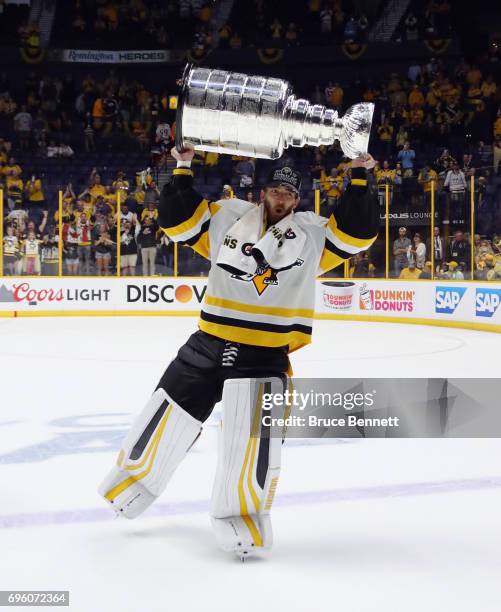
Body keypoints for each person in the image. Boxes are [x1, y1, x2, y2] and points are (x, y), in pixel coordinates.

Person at [98, 144, 379, 558]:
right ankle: (131, 485)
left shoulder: (313, 234)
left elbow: (356, 233)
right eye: (275, 192)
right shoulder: (229, 216)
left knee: (251, 443)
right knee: (167, 411)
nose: (281, 199)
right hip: (209, 340)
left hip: (264, 353)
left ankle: (241, 519)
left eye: (288, 195)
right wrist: (182, 165)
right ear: (263, 193)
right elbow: (178, 223)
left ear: (297, 200)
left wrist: (358, 175)